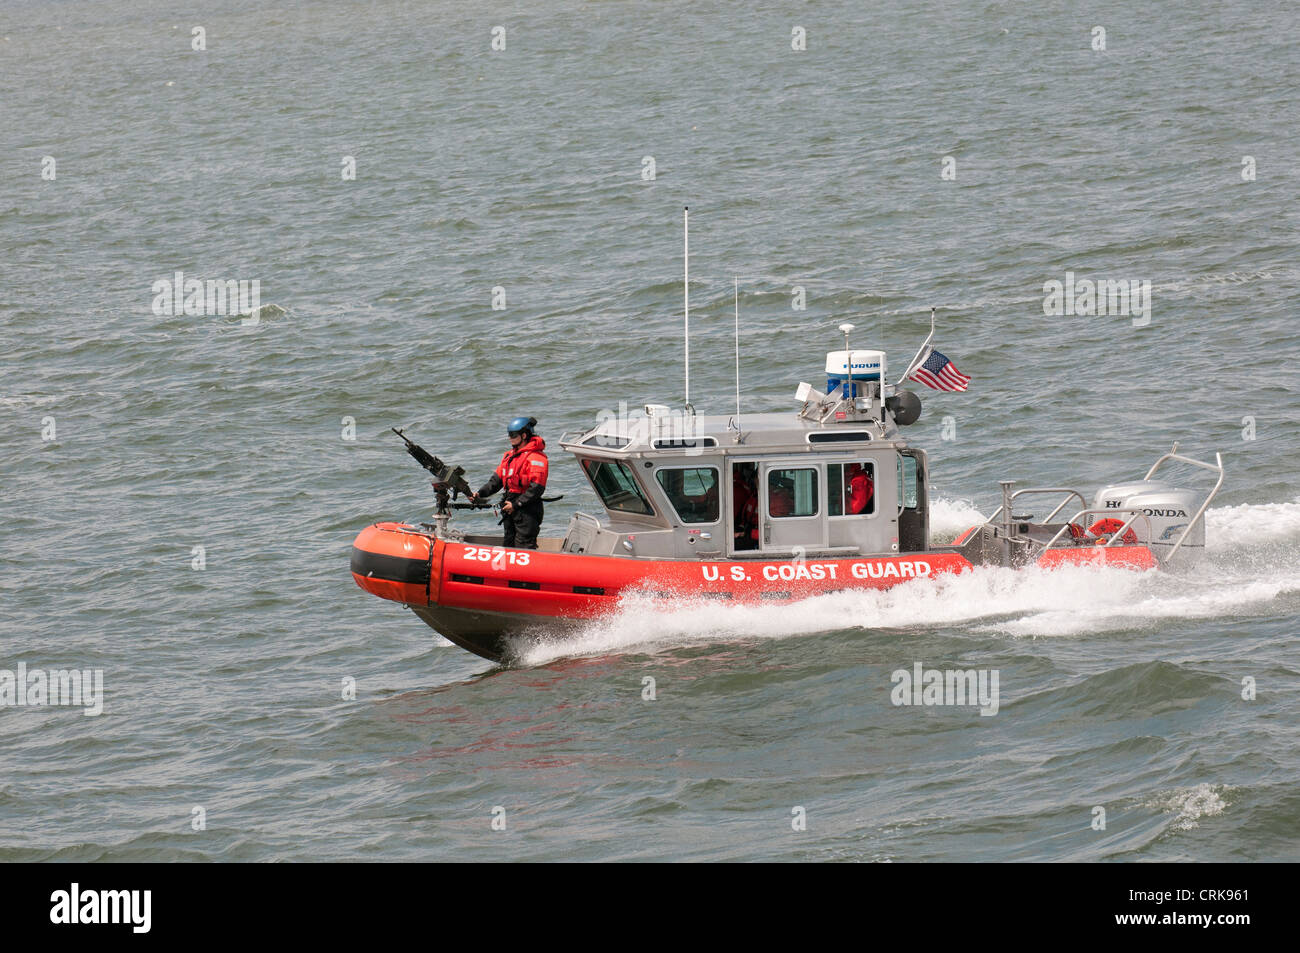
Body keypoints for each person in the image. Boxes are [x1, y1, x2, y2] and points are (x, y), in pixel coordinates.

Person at [471, 416, 548, 550]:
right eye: (509, 435)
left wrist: (517, 504)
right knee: (509, 543)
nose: (509, 438)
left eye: (513, 435)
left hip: (527, 508)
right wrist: (480, 493)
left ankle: (527, 570)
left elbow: (537, 488)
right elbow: (496, 481)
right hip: (509, 506)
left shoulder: (536, 458)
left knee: (524, 546)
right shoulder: (509, 456)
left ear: (524, 435)